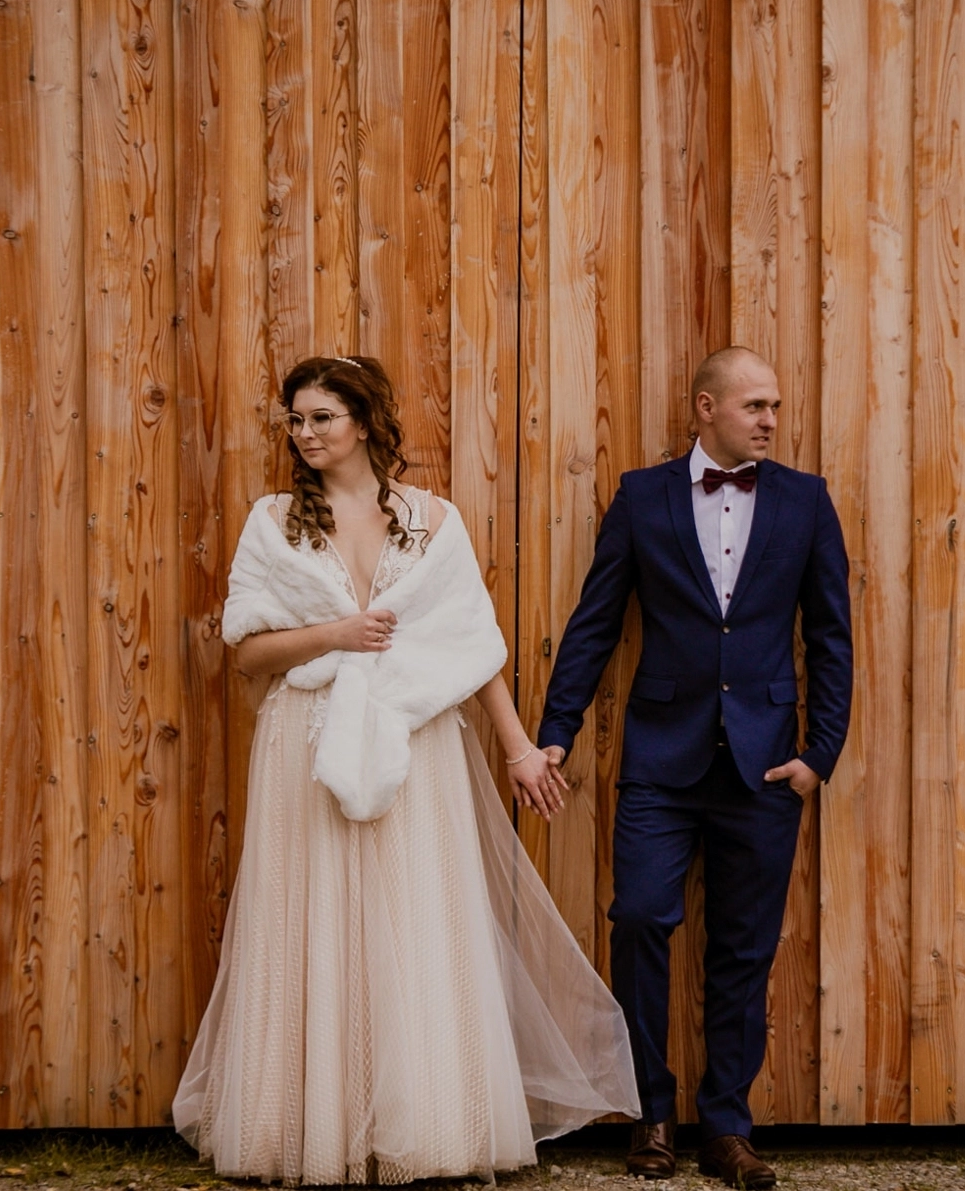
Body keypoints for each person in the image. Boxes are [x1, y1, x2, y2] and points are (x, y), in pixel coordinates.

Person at [174, 355, 638, 1185]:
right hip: (308, 742)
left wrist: (518, 747)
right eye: (295, 419)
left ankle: (425, 1126)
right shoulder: (273, 521)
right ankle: (305, 1128)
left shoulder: (433, 519)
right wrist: (335, 636)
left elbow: (473, 647)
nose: (304, 433)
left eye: (321, 416)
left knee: (415, 919)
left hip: (414, 742)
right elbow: (247, 653)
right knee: (308, 918)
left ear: (363, 421)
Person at [536, 346, 853, 1188]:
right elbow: (595, 621)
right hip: (659, 759)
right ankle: (650, 1111)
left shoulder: (804, 500)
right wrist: (557, 730)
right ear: (705, 408)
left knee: (742, 949)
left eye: (774, 405)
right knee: (639, 918)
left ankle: (726, 1126)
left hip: (765, 766)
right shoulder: (642, 497)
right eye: (754, 405)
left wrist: (818, 755)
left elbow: (830, 635)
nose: (770, 420)